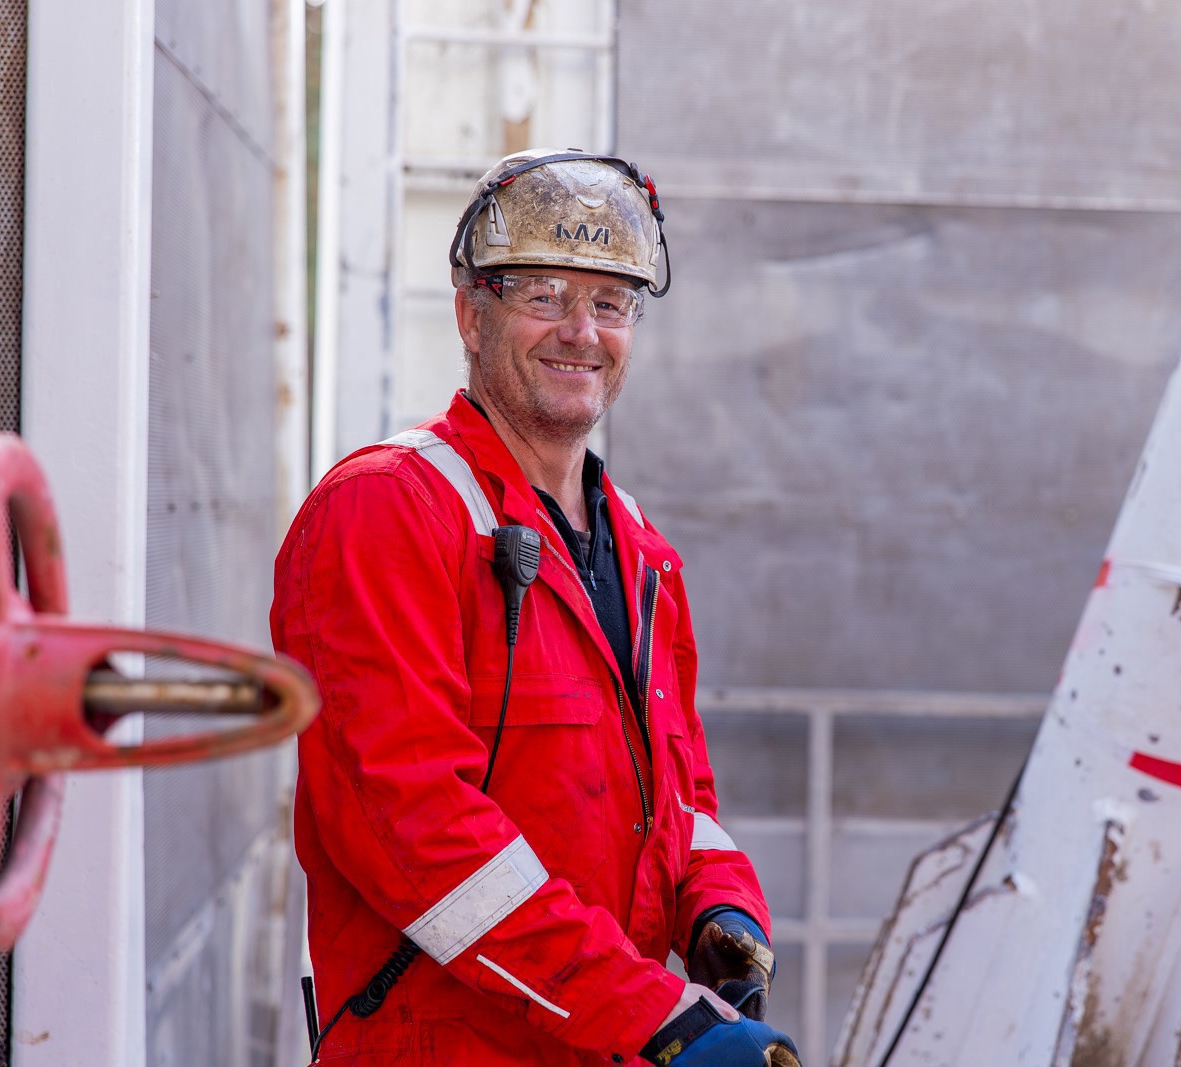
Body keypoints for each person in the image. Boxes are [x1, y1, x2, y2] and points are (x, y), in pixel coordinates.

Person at [273, 150, 799, 1066]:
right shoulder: (387, 511)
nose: (581, 332)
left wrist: (719, 905)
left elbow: (680, 799)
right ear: (470, 315)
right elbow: (413, 831)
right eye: (544, 295)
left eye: (611, 302)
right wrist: (652, 1012)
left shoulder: (640, 552)